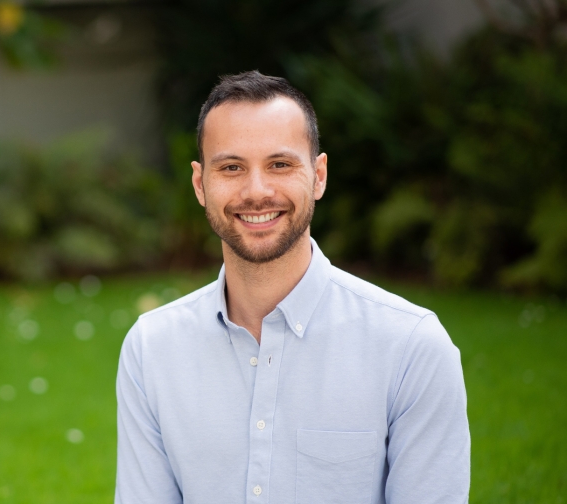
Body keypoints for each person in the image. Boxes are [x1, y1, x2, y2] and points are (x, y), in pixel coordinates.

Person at [114, 71, 470, 503]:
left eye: (280, 165)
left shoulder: (412, 348)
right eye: (231, 168)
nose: (257, 191)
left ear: (318, 176)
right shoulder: (151, 350)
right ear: (199, 184)